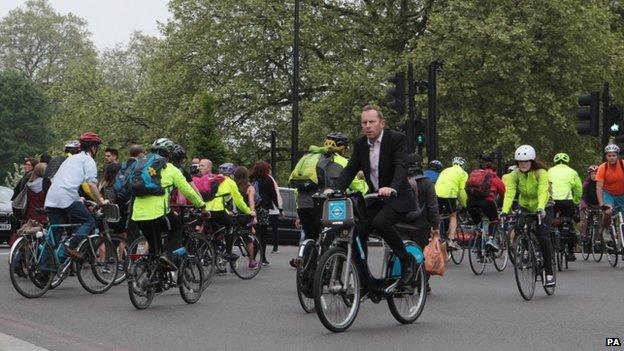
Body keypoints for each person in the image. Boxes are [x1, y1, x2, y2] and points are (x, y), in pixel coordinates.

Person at [334, 105, 417, 284]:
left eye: (372, 122)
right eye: (364, 122)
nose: (368, 126)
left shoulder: (396, 139)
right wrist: (335, 189)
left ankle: (405, 259)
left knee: (380, 223)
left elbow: (401, 166)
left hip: (397, 197)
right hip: (377, 198)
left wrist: (392, 187)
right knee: (357, 231)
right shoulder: (360, 144)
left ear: (382, 123)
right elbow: (350, 170)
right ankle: (362, 276)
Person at [287, 132, 368, 266]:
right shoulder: (342, 161)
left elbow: (297, 187)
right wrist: (367, 188)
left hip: (303, 206)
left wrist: (298, 209)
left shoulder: (307, 159)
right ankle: (326, 266)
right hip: (326, 207)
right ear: (342, 148)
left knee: (310, 237)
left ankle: (307, 270)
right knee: (332, 238)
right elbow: (357, 186)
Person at [131, 138, 206, 268]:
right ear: (170, 154)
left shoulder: (141, 165)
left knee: (154, 250)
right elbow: (188, 191)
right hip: (159, 213)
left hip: (138, 215)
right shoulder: (171, 168)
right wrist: (202, 207)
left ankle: (153, 281)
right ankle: (169, 256)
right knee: (176, 228)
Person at [44, 132, 109, 259]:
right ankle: (71, 244)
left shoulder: (71, 158)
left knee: (54, 235)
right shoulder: (88, 160)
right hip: (67, 197)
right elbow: (91, 185)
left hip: (51, 197)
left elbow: (61, 180)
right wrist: (101, 201)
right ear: (93, 148)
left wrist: (79, 197)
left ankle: (44, 271)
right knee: (89, 221)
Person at [502, 145, 555, 287]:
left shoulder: (540, 172)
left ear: (532, 161)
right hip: (525, 206)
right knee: (519, 228)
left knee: (543, 236)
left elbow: (543, 191)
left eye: (526, 162)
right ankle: (527, 250)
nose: (523, 164)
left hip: (544, 206)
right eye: (520, 162)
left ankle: (549, 273)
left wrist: (540, 208)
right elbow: (510, 193)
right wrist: (505, 210)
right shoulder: (514, 175)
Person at [203, 163, 254, 265]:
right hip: (217, 210)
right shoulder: (230, 182)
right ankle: (228, 252)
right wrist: (249, 211)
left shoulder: (213, 180)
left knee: (215, 233)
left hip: (205, 209)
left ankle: (212, 254)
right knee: (230, 225)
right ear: (231, 173)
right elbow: (239, 201)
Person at [403, 153, 439, 294]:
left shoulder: (400, 180)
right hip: (420, 225)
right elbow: (432, 207)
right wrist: (435, 227)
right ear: (420, 166)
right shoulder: (427, 182)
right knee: (421, 254)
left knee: (403, 252)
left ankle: (404, 282)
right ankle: (422, 283)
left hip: (400, 224)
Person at [465, 154, 505, 252]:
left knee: (478, 223)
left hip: (471, 203)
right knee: (494, 219)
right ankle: (491, 240)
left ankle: (477, 243)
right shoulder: (495, 178)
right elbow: (503, 194)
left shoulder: (475, 175)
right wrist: (503, 206)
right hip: (487, 202)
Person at [548, 152, 582, 261]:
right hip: (567, 201)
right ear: (567, 162)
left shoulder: (549, 171)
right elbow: (578, 189)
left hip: (552, 200)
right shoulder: (573, 172)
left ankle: (551, 246)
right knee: (569, 224)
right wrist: (576, 201)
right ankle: (570, 253)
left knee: (549, 223)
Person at [434, 156, 468, 250]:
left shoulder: (445, 170)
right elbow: (461, 190)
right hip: (449, 194)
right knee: (453, 215)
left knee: (438, 215)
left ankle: (435, 237)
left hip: (436, 193)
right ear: (462, 165)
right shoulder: (463, 173)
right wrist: (465, 204)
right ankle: (451, 240)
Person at [250, 161, 279, 265]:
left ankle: (252, 257)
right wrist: (279, 208)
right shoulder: (268, 179)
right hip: (263, 208)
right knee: (263, 234)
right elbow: (273, 194)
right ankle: (263, 258)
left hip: (252, 208)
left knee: (255, 232)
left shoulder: (252, 179)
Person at [596, 144, 624, 246]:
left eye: (614, 155)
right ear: (606, 157)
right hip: (609, 194)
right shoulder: (603, 168)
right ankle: (606, 230)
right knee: (608, 212)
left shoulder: (622, 165)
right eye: (609, 156)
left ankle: (621, 239)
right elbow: (599, 187)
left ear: (618, 156)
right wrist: (601, 204)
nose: (612, 158)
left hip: (622, 194)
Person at [234, 165, 261, 269]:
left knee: (232, 236)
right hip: (244, 216)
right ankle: (251, 261)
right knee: (249, 239)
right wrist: (253, 215)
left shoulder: (233, 186)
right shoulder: (250, 188)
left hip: (233, 214)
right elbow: (251, 203)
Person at [579, 165, 600, 248]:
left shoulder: (601, 183)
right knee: (584, 220)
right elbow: (582, 195)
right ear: (589, 175)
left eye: (596, 173)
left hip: (598, 205)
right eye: (592, 174)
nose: (594, 175)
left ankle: (596, 240)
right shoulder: (586, 183)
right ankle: (583, 235)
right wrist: (583, 205)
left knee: (599, 223)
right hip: (587, 204)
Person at [11, 157, 38, 221]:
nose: (26, 166)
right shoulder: (26, 175)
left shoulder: (31, 176)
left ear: (33, 166)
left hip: (27, 203)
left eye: (29, 165)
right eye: (25, 164)